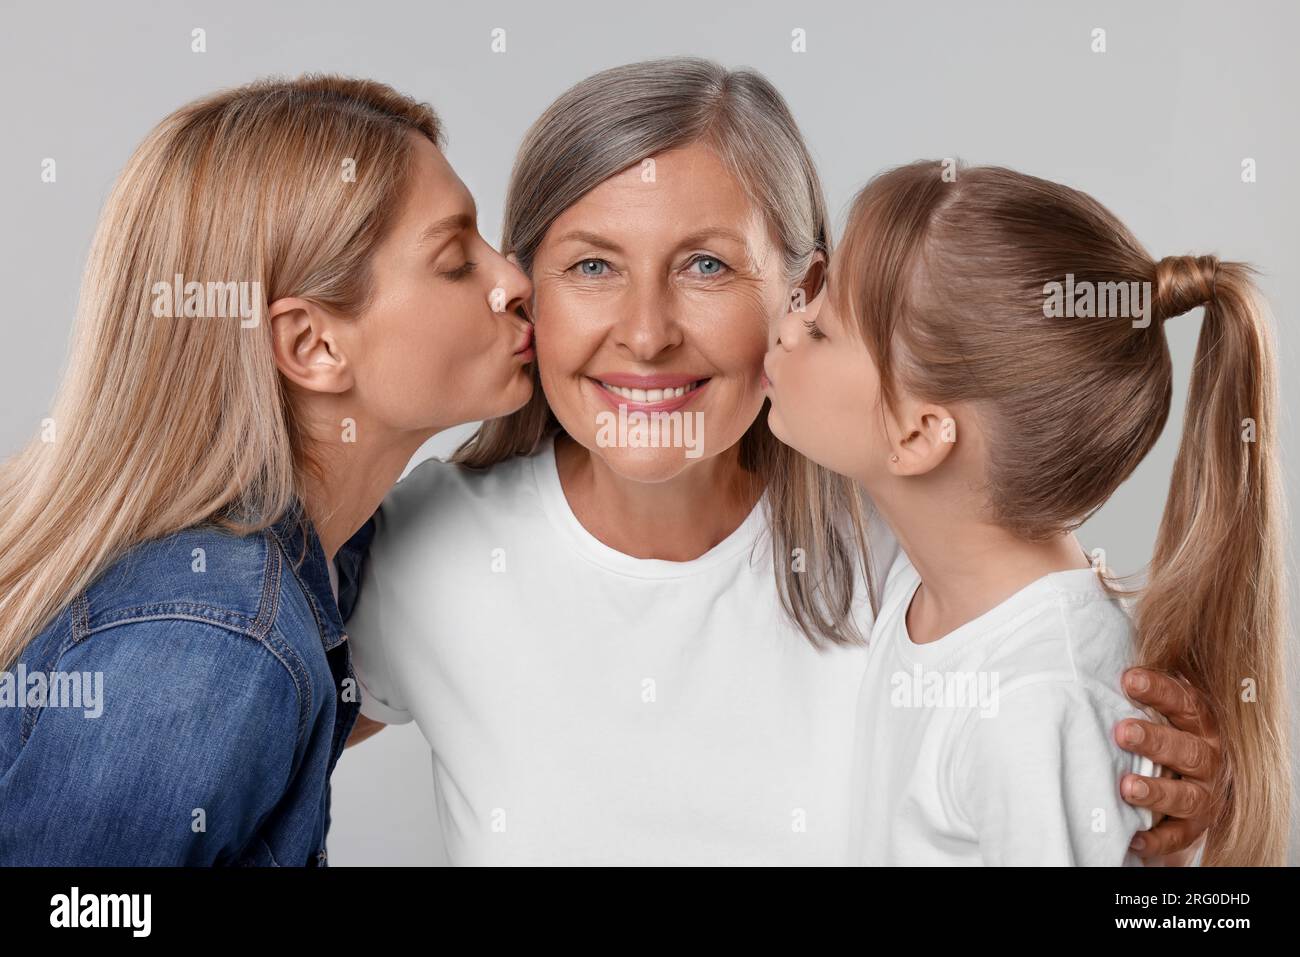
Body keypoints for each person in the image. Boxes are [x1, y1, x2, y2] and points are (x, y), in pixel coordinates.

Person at [341, 60, 1220, 865]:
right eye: (594, 265)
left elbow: (1060, 689)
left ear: (802, 295)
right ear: (527, 290)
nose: (646, 334)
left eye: (708, 265)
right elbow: (234, 746)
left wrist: (1194, 825)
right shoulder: (431, 549)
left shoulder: (914, 555)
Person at [0, 75, 534, 865]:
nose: (514, 280)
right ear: (313, 346)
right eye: (457, 262)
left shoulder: (307, 562)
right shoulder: (211, 637)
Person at [762, 161, 1285, 865]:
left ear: (920, 433)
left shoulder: (1035, 704)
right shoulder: (933, 596)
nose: (788, 325)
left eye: (822, 330)